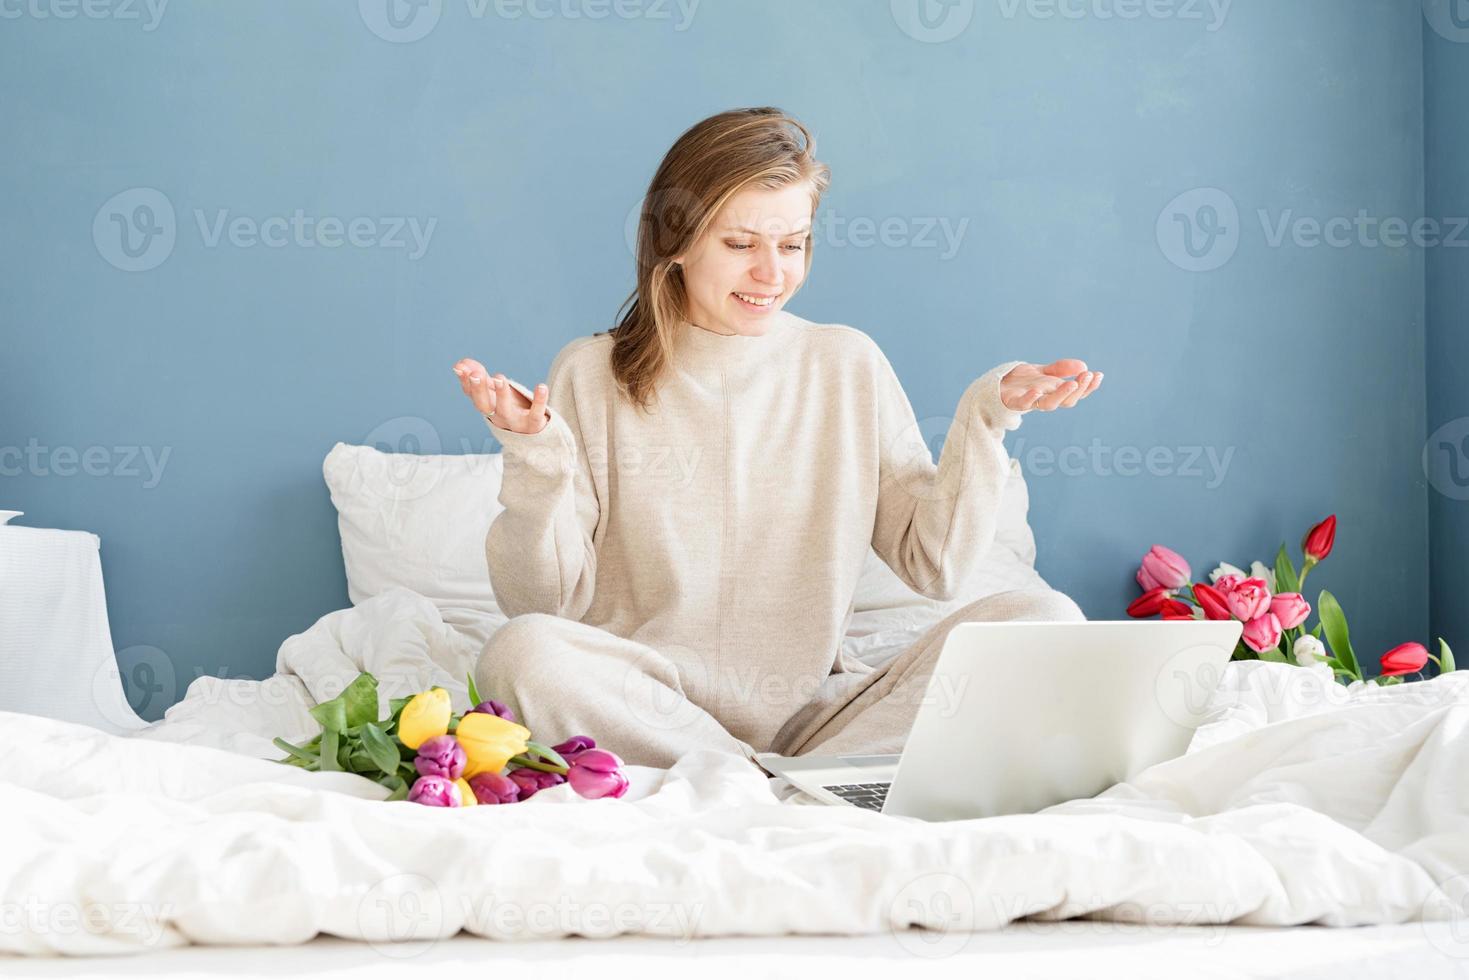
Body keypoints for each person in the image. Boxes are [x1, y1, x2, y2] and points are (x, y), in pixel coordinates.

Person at [451, 107, 1101, 769]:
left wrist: (985, 416)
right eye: (740, 245)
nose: (771, 273)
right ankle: (765, 779)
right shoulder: (590, 372)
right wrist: (533, 457)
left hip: (816, 720)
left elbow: (935, 568)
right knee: (521, 652)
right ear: (675, 240)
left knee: (1046, 620)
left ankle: (752, 773)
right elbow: (544, 602)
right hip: (646, 702)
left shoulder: (845, 362)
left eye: (791, 245)